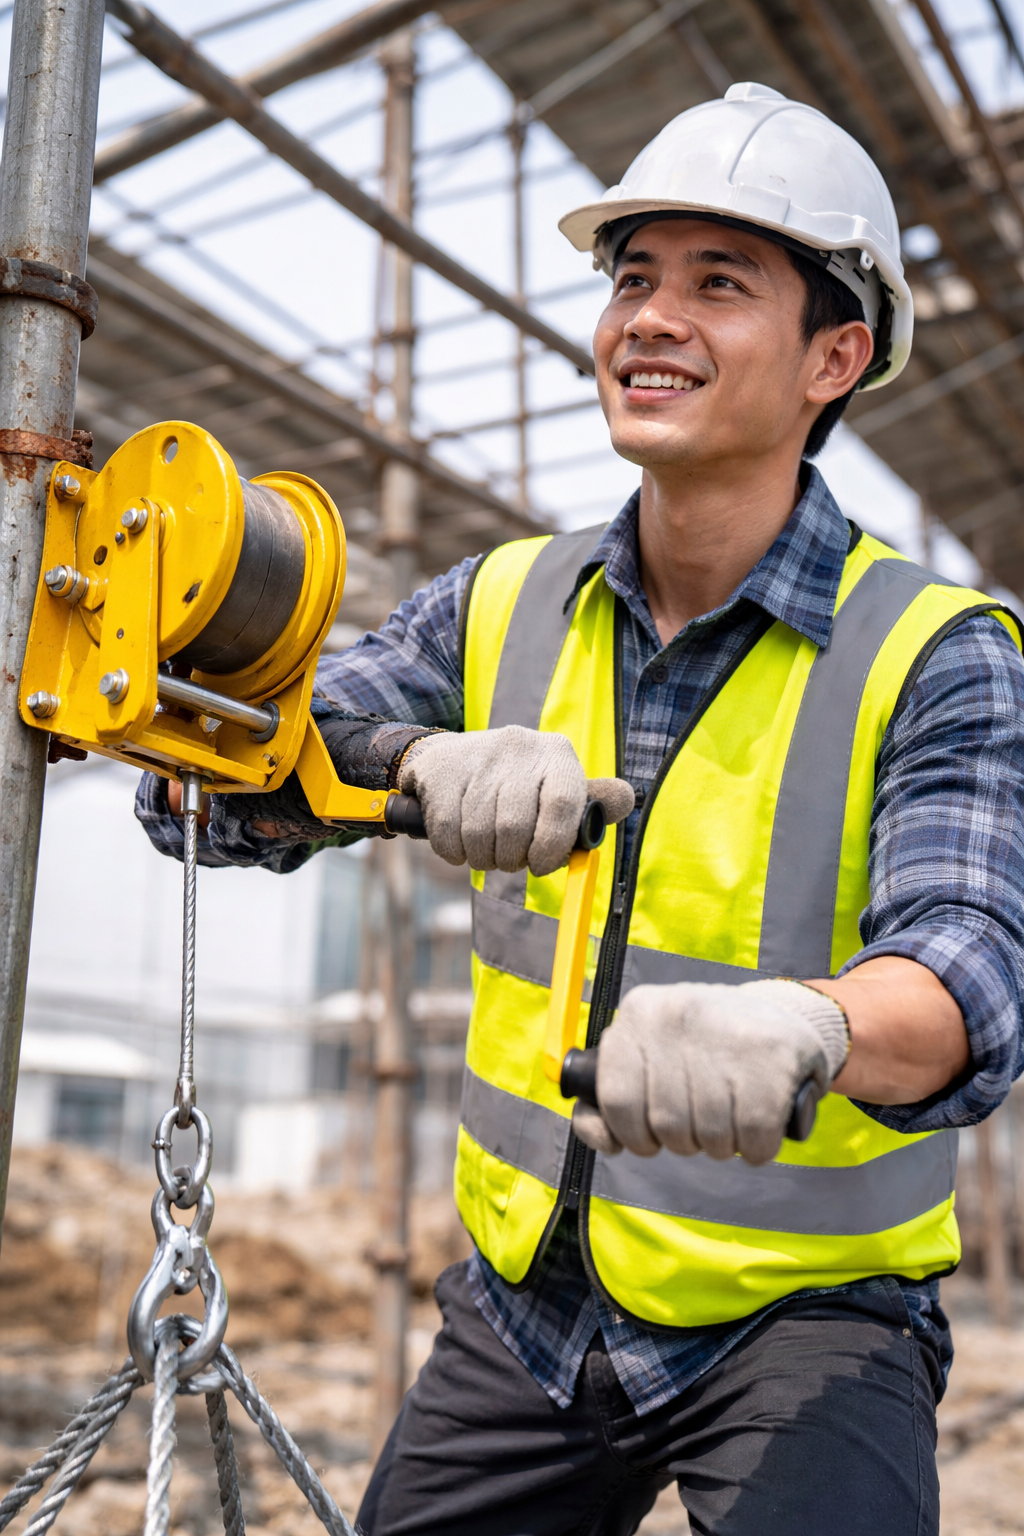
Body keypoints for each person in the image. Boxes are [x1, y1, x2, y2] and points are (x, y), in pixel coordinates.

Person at [141, 83, 1024, 1535]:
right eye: (633, 279)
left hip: (808, 1320)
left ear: (837, 355)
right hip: (525, 1314)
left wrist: (818, 1022)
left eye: (719, 284)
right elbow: (203, 791)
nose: (650, 319)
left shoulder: (938, 650)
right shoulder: (498, 602)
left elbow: (974, 967)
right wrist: (403, 775)